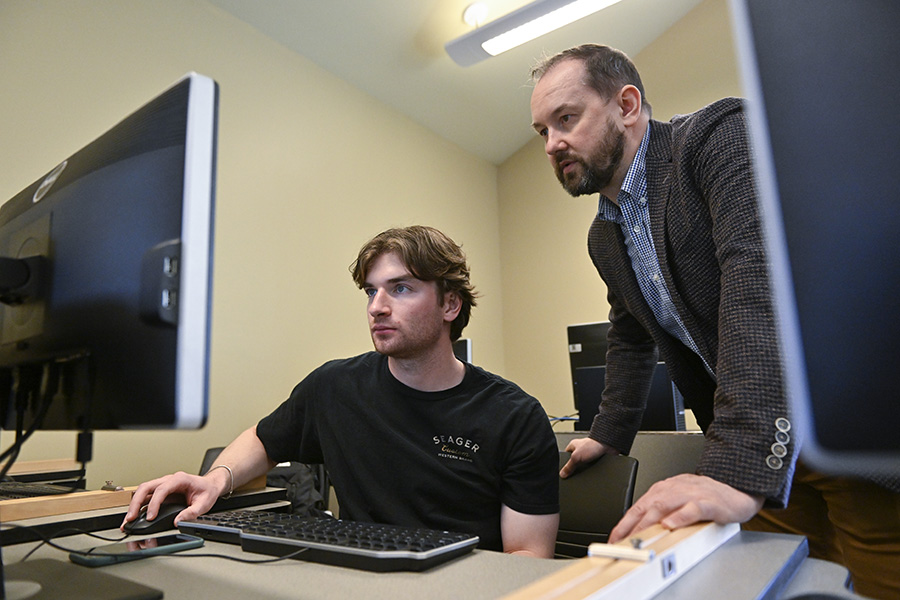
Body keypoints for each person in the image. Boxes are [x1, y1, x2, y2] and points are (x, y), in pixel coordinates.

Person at [529, 44, 899, 598]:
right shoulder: (604, 236)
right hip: (756, 438)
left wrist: (738, 470)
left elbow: (760, 285)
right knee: (782, 586)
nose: (553, 143)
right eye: (541, 131)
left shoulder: (717, 138)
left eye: (567, 118)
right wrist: (606, 434)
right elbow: (630, 335)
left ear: (627, 105)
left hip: (831, 425)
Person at [124, 225, 560, 558]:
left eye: (401, 288)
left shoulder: (514, 416)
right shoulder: (334, 387)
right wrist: (214, 480)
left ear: (450, 305)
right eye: (372, 291)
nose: (377, 307)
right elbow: (263, 437)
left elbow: (526, 557)